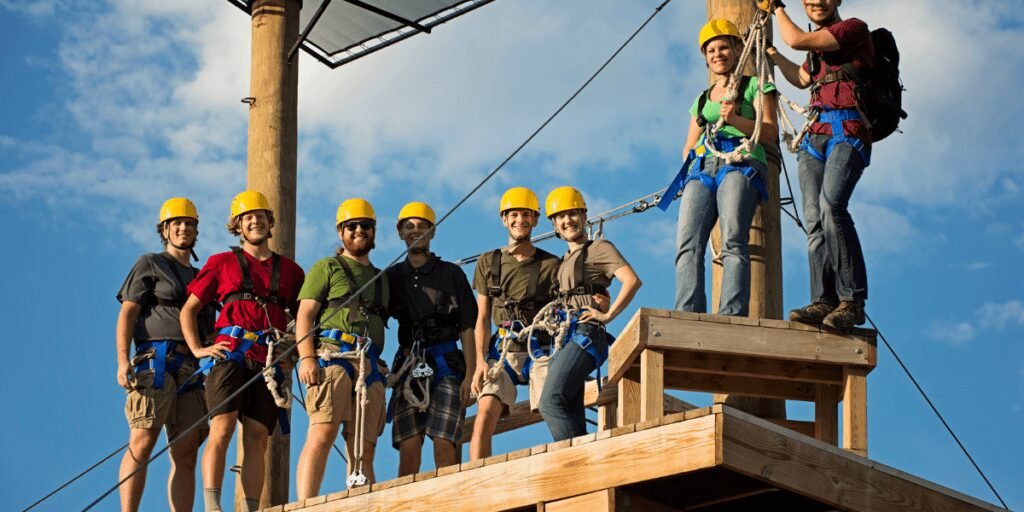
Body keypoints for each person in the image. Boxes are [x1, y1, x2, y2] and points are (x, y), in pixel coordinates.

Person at [180, 191, 304, 512]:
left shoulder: (290, 272)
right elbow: (189, 309)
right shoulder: (221, 263)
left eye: (260, 215)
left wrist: (296, 350)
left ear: (270, 222)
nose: (255, 220)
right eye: (247, 217)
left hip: (267, 361)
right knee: (221, 429)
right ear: (237, 225)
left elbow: (304, 316)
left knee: (258, 438)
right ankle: (213, 506)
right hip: (231, 353)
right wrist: (199, 348)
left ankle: (250, 508)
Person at [765, 0, 873, 329]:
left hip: (848, 131)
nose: (816, 1)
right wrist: (771, 55)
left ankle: (851, 300)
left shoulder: (853, 29)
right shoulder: (816, 51)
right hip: (814, 138)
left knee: (831, 206)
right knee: (814, 222)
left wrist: (776, 9)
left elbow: (797, 39)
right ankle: (822, 300)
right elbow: (801, 79)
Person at [671, 18, 778, 317]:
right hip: (704, 166)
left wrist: (735, 121)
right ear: (705, 56)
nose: (717, 54)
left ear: (737, 48)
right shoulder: (703, 99)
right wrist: (691, 166)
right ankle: (687, 312)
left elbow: (769, 131)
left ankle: (731, 314)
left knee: (733, 239)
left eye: (723, 48)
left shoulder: (755, 85)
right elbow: (688, 145)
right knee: (688, 243)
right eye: (711, 50)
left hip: (740, 162)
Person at [116, 198, 214, 512]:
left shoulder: (202, 277)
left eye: (189, 224)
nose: (184, 228)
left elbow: (209, 327)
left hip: (190, 367)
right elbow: (128, 313)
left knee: (186, 452)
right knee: (143, 440)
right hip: (154, 359)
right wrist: (122, 360)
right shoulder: (151, 264)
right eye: (177, 224)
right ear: (165, 230)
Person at [295, 198, 389, 497]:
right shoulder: (327, 267)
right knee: (323, 432)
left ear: (373, 231)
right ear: (341, 232)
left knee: (363, 447)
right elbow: (305, 316)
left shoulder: (381, 280)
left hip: (369, 363)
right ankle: (306, 504)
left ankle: (362, 502)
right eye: (352, 226)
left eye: (365, 225)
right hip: (333, 356)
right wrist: (306, 358)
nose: (358, 230)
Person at [538, 187, 642, 441]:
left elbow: (631, 281)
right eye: (560, 217)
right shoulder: (563, 260)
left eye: (572, 214)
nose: (567, 221)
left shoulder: (598, 248)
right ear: (554, 224)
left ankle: (572, 460)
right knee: (569, 406)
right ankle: (580, 457)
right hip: (565, 339)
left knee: (550, 401)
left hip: (586, 334)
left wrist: (607, 315)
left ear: (584, 217)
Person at [384, 202, 477, 475]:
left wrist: (470, 375)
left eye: (422, 226)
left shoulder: (450, 274)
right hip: (408, 365)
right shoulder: (392, 277)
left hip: (447, 363)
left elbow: (467, 327)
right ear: (400, 231)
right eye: (409, 226)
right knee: (409, 449)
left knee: (443, 444)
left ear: (432, 232)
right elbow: (374, 319)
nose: (416, 231)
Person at [468, 187, 560, 460]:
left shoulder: (550, 265)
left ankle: (561, 465)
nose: (520, 220)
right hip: (502, 350)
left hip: (538, 348)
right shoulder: (488, 262)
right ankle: (476, 479)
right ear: (504, 220)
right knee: (484, 411)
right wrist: (480, 363)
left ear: (535, 220)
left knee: (551, 407)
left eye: (526, 215)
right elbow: (482, 317)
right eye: (514, 215)